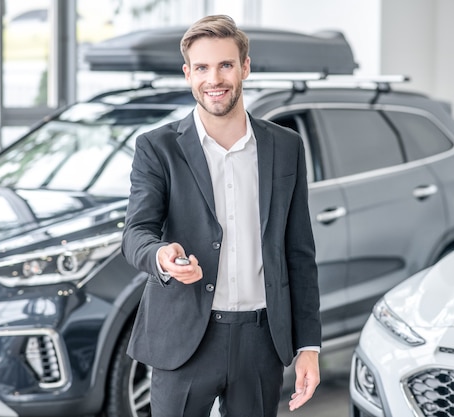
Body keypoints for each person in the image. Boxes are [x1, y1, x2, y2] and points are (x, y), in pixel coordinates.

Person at [121, 14, 321, 417]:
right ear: (188, 74)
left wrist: (309, 347)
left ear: (245, 67)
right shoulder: (157, 148)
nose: (215, 78)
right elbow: (136, 233)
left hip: (262, 340)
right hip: (185, 338)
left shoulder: (286, 146)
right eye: (202, 68)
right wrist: (160, 256)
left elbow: (299, 252)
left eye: (226, 64)